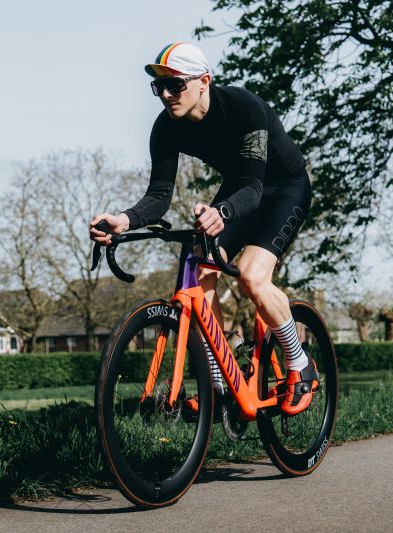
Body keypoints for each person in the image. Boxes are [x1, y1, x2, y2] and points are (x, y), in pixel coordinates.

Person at [89, 42, 317, 416]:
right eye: (158, 87)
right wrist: (124, 219)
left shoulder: (244, 107)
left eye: (174, 85)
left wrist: (222, 211)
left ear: (204, 81)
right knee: (198, 266)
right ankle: (220, 379)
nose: (165, 94)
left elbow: (255, 187)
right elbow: (160, 196)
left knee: (251, 276)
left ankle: (300, 362)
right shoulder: (166, 127)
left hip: (283, 188)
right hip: (240, 190)